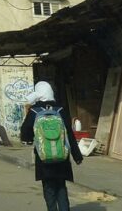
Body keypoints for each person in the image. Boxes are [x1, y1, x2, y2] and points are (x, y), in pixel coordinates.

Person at [21, 81, 83, 211]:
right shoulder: (60, 109)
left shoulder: (34, 110)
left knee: (49, 188)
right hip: (62, 157)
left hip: (44, 157)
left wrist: (31, 139)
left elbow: (25, 133)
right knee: (61, 186)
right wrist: (77, 156)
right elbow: (69, 135)